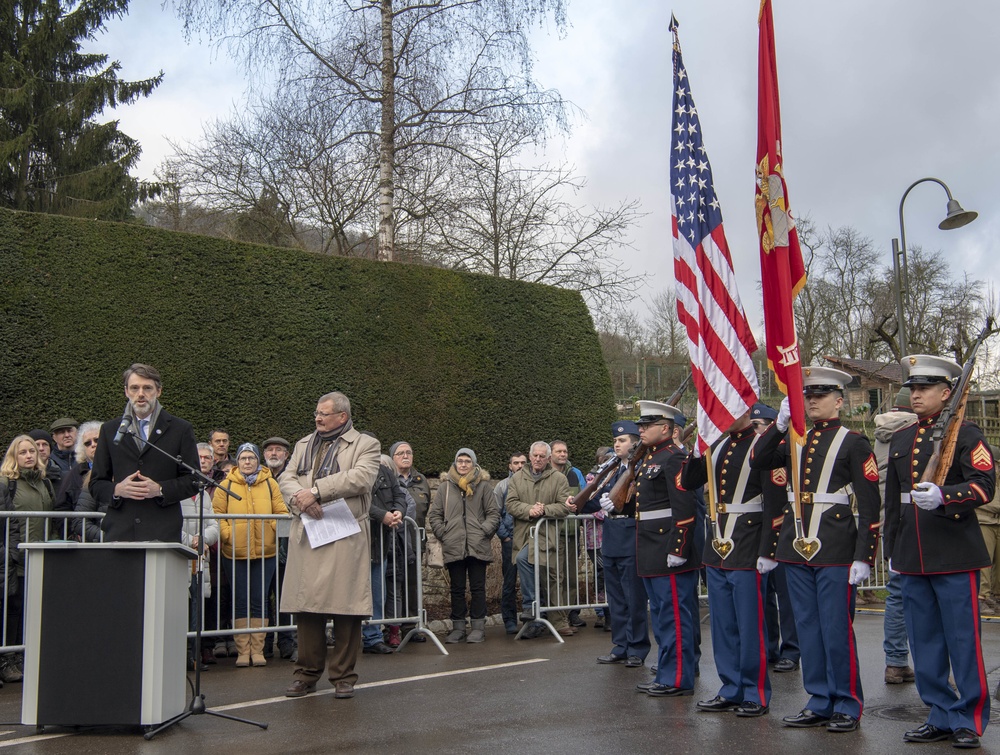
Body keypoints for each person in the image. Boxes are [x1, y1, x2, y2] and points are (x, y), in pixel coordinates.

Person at [750, 366, 881, 733]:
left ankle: (847, 703)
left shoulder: (854, 442)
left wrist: (864, 555)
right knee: (807, 628)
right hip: (796, 548)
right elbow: (757, 461)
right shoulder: (792, 439)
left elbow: (870, 504)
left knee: (836, 628)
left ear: (838, 401)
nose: (811, 402)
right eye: (808, 396)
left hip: (836, 548)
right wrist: (778, 426)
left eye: (820, 396)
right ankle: (820, 699)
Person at [883, 355, 996, 749]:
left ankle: (968, 717)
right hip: (912, 555)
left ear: (947, 393)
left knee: (962, 641)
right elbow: (893, 502)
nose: (915, 394)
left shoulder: (966, 434)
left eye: (925, 388)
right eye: (912, 388)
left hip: (954, 554)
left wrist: (946, 496)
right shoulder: (901, 438)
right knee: (924, 641)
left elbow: (984, 486)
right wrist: (891, 552)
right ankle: (940, 713)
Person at [682, 410, 785, 717]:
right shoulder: (717, 445)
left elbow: (775, 502)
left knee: (750, 625)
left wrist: (768, 550)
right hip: (718, 545)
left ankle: (755, 691)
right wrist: (698, 448)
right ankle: (731, 687)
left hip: (749, 544)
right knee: (723, 624)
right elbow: (689, 482)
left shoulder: (762, 446)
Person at [279, 391, 380, 700]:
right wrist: (300, 499)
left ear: (343, 417)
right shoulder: (302, 444)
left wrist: (316, 491)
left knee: (346, 609)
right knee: (307, 608)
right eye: (316, 414)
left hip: (345, 533)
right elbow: (286, 477)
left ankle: (343, 677)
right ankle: (305, 674)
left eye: (324, 413)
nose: (317, 418)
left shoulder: (366, 444)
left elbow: (362, 477)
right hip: (310, 530)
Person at [630, 401, 702, 697]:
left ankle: (677, 678)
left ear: (666, 428)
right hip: (651, 547)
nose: (641, 429)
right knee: (661, 617)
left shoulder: (674, 458)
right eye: (641, 425)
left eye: (647, 425)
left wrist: (679, 547)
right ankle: (667, 671)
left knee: (675, 618)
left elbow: (684, 506)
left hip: (668, 549)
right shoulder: (650, 458)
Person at [90, 363, 199, 542]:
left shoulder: (180, 429)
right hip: (120, 532)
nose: (140, 394)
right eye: (134, 388)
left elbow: (194, 479)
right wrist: (117, 489)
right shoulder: (110, 430)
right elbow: (96, 483)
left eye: (147, 388)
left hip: (163, 532)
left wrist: (160, 489)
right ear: (126, 391)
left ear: (159, 391)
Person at [213, 442, 288, 667]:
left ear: (258, 461)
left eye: (251, 458)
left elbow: (281, 511)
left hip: (266, 552)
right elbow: (217, 514)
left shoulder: (270, 484)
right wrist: (227, 534)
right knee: (240, 600)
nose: (247, 462)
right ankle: (242, 651)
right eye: (244, 458)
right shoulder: (224, 485)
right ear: (237, 461)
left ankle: (258, 650)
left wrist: (273, 531)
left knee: (260, 600)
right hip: (234, 552)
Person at [594, 421, 650, 668]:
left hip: (631, 534)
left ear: (635, 443)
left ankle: (637, 647)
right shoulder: (612, 469)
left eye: (623, 440)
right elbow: (597, 498)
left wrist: (621, 504)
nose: (617, 444)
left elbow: (643, 500)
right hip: (611, 537)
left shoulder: (642, 468)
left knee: (633, 597)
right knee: (615, 597)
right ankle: (620, 645)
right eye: (616, 440)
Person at [428, 448, 499, 644]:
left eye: (467, 461)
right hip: (454, 544)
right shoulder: (445, 487)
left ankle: (478, 627)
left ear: (474, 464)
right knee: (457, 589)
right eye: (460, 460)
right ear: (455, 463)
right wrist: (444, 533)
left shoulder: (483, 486)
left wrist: (484, 531)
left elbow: (493, 514)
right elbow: (435, 515)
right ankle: (458, 626)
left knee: (478, 588)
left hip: (477, 545)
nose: (463, 464)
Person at [0, 435, 56, 682]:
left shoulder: (45, 482)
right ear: (14, 456)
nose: (29, 455)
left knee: (29, 609)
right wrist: (11, 552)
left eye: (32, 451)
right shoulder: (6, 483)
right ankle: (7, 660)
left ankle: (22, 657)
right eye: (22, 452)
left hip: (38, 555)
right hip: (13, 558)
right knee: (12, 609)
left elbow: (52, 518)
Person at [751, 403, 800, 674]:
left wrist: (773, 541)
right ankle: (769, 646)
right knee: (765, 597)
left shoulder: (779, 453)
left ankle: (791, 649)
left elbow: (777, 501)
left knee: (786, 596)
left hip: (779, 533)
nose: (755, 430)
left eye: (760, 426)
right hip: (755, 533)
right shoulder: (758, 452)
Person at [872, 388, 917, 685]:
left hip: (889, 519)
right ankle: (937, 669)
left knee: (896, 593)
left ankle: (895, 662)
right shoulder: (916, 432)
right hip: (917, 518)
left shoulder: (880, 436)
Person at [506, 441, 573, 638]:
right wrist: (529, 510)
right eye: (535, 455)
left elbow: (563, 507)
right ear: (529, 455)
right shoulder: (517, 478)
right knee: (523, 560)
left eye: (542, 456)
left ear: (548, 458)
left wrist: (544, 510)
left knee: (552, 577)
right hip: (524, 534)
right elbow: (510, 504)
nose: (538, 459)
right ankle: (532, 613)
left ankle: (556, 620)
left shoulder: (559, 478)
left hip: (548, 534)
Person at [362, 451, 408, 654]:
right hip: (355, 541)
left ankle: (373, 638)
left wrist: (399, 511)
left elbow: (399, 496)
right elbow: (354, 503)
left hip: (379, 542)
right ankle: (344, 638)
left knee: (377, 593)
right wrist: (382, 515)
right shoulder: (351, 472)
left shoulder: (386, 473)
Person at [182, 444, 220, 671]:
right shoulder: (175, 492)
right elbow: (169, 524)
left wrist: (203, 538)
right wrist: (192, 540)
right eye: (198, 458)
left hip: (199, 560)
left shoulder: (204, 493)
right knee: (181, 609)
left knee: (198, 609)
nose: (202, 461)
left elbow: (214, 524)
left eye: (207, 458)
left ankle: (194, 657)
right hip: (181, 558)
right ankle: (181, 655)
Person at [389, 441, 430, 644]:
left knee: (412, 585)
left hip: (414, 541)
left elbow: (426, 509)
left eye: (409, 452)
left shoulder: (421, 480)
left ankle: (410, 628)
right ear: (392, 457)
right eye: (400, 453)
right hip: (393, 542)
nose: (405, 456)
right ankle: (390, 628)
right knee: (393, 585)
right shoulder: (389, 479)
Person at [261, 437, 296, 660]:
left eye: (279, 450)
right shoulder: (259, 477)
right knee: (263, 597)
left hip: (287, 548)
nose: (274, 453)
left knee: (285, 596)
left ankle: (286, 642)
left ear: (286, 454)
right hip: (263, 546)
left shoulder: (293, 477)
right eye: (270, 450)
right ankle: (264, 643)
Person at [550, 440, 587, 628]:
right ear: (551, 454)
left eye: (565, 451)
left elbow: (583, 496)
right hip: (552, 533)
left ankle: (572, 612)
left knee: (572, 576)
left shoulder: (574, 474)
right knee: (557, 576)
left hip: (571, 532)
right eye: (558, 451)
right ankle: (557, 616)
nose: (563, 454)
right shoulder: (546, 475)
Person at [493, 452, 528, 634]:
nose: (520, 465)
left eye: (523, 462)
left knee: (531, 581)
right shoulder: (502, 486)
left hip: (529, 538)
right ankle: (509, 620)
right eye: (516, 463)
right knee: (509, 581)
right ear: (510, 466)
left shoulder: (532, 483)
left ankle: (533, 618)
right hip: (511, 539)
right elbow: (494, 513)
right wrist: (504, 536)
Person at [55, 420, 101, 538]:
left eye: (97, 440)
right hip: (84, 538)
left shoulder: (121, 468)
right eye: (87, 443)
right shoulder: (74, 474)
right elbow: (62, 508)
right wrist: (72, 535)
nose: (93, 445)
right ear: (82, 448)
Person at [976, 448, 1000, 617]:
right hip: (984, 520)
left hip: (997, 521)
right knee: (984, 562)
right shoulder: (982, 477)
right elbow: (984, 498)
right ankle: (981, 597)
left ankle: (996, 595)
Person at [27, 429, 62, 497]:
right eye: (37, 444)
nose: (41, 448)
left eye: (45, 444)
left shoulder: (61, 475)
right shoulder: (21, 477)